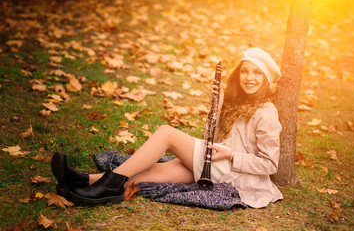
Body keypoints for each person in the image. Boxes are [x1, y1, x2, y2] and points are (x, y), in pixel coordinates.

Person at [51, 48, 283, 208]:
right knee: (157, 172)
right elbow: (211, 137)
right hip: (217, 164)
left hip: (235, 172)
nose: (249, 78)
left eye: (257, 73)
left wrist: (231, 154)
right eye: (245, 71)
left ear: (265, 79)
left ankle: (109, 186)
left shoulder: (266, 112)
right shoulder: (238, 101)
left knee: (166, 133)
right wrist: (218, 105)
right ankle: (80, 181)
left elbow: (270, 164)